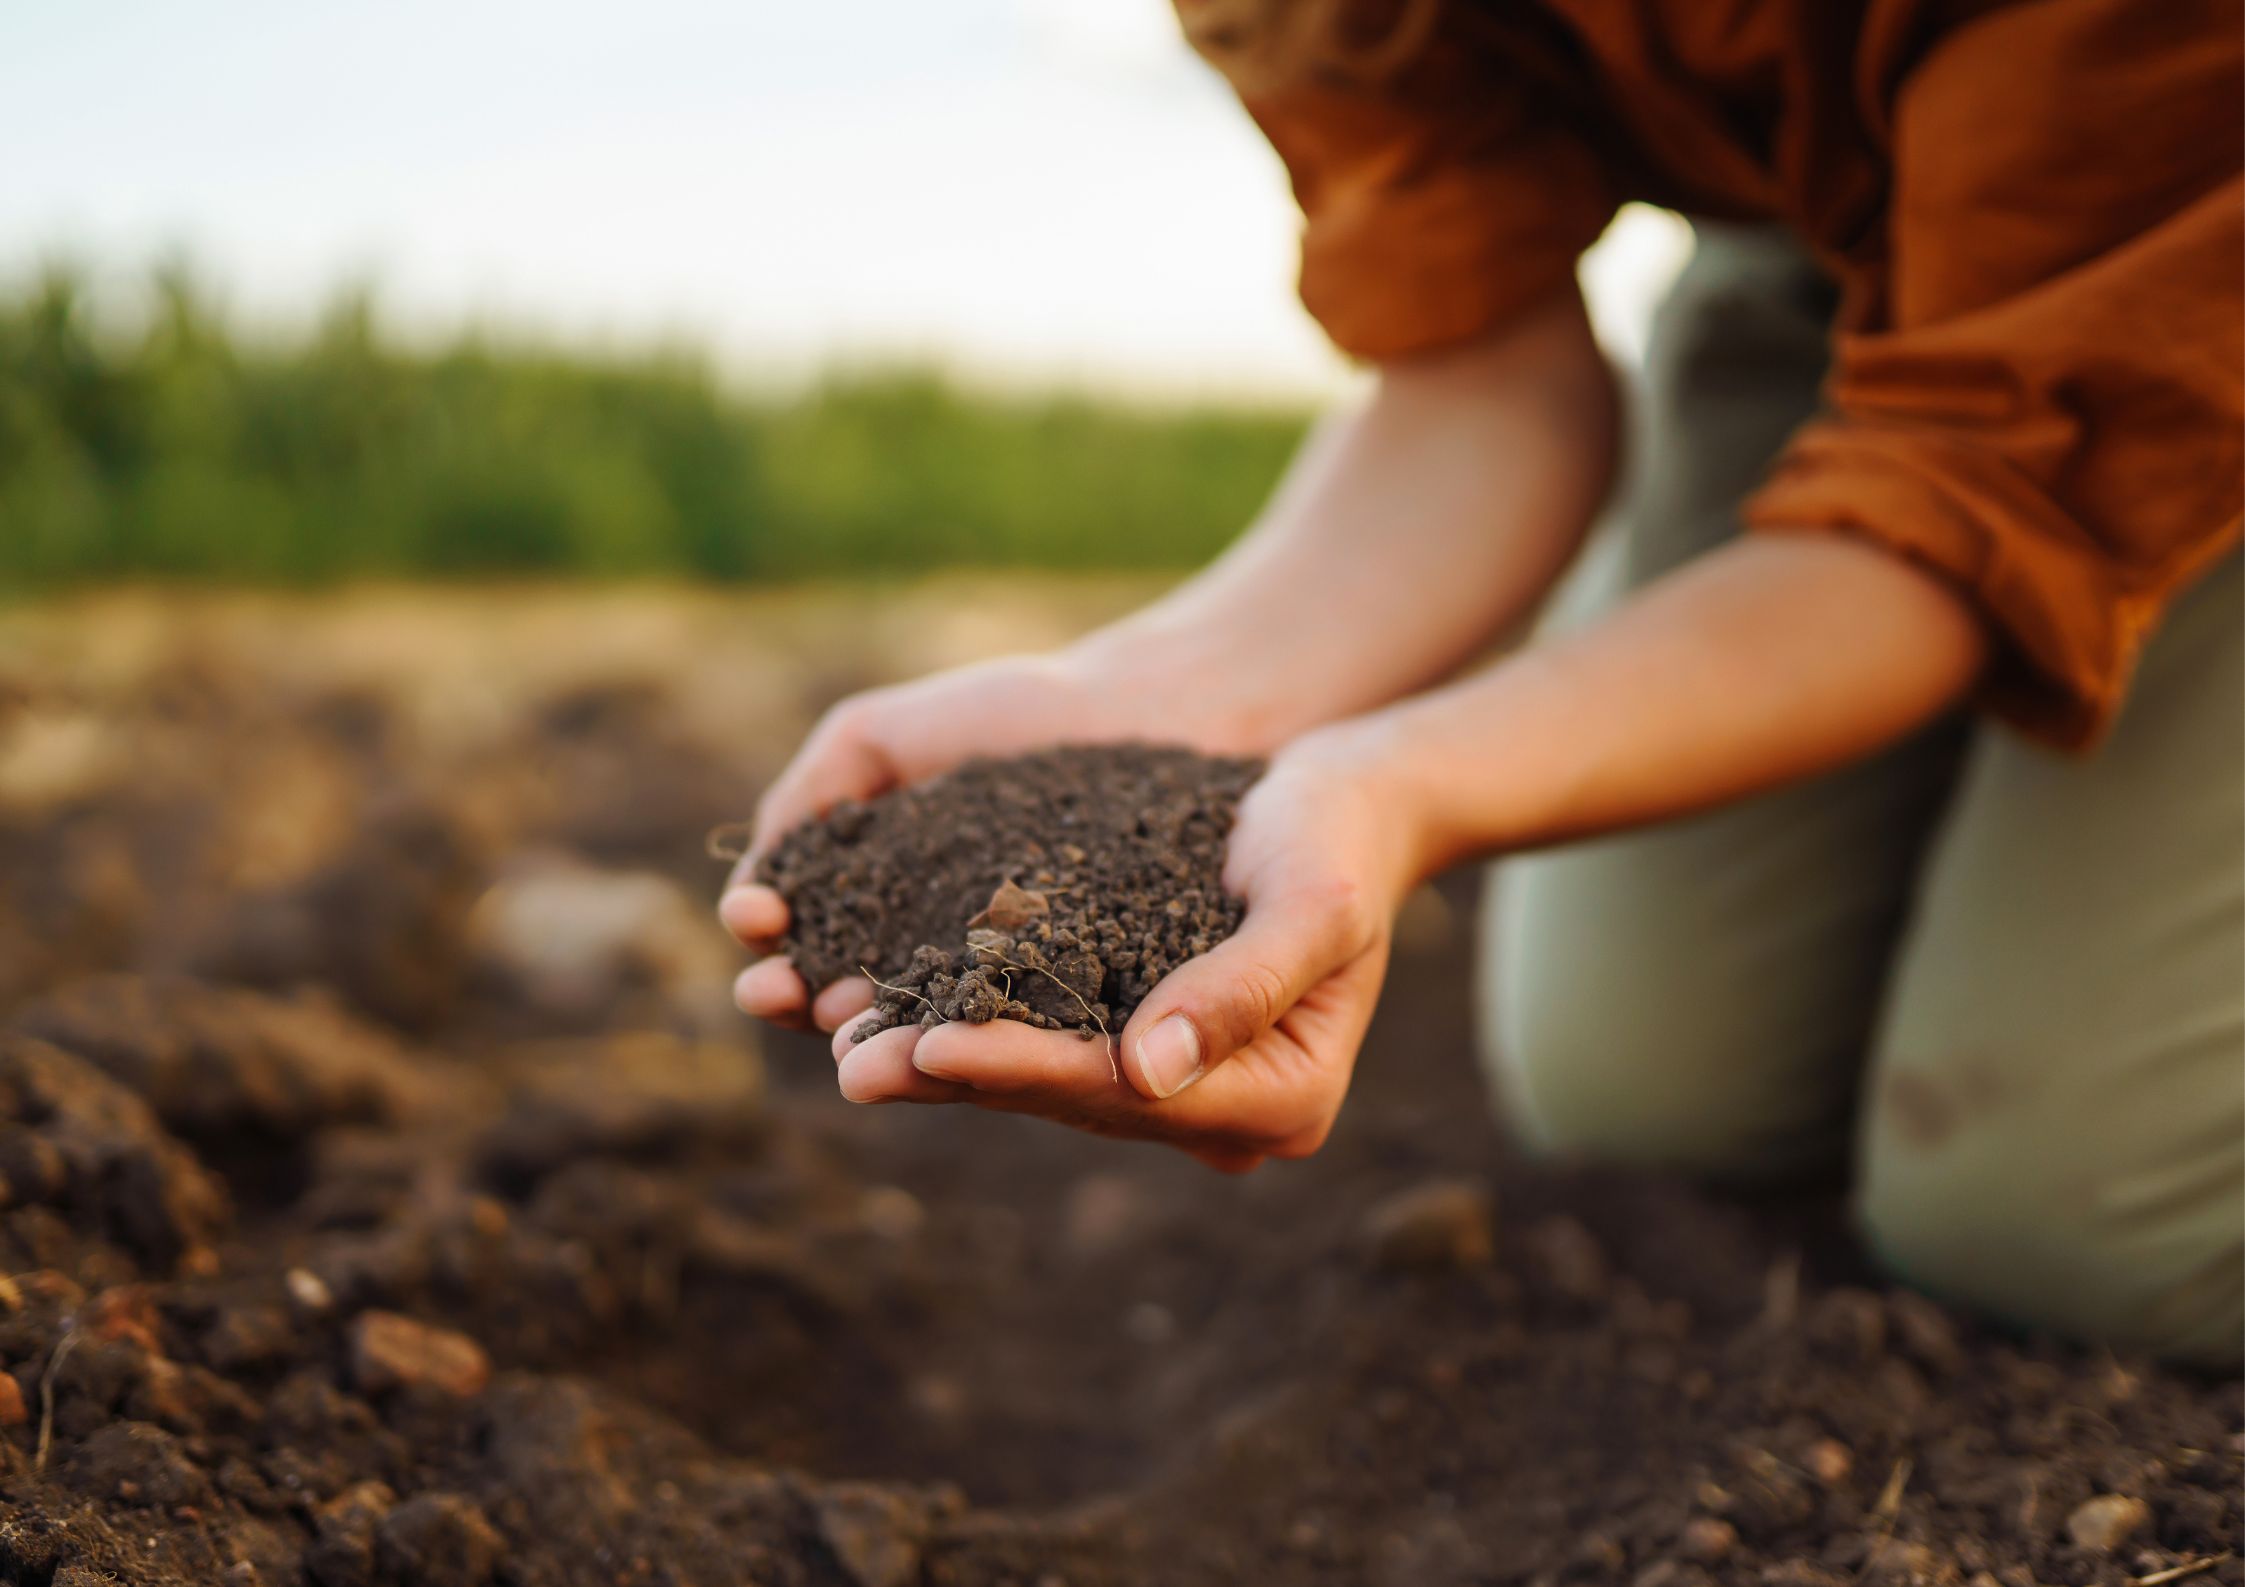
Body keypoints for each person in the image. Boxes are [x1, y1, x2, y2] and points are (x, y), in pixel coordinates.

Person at [721, 0, 2242, 1365]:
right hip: (1836, 236)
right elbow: (1478, 379)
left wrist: (1406, 782)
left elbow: (1967, 499)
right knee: (1648, 1090)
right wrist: (1172, 695)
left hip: (2191, 219)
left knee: (2074, 1223)